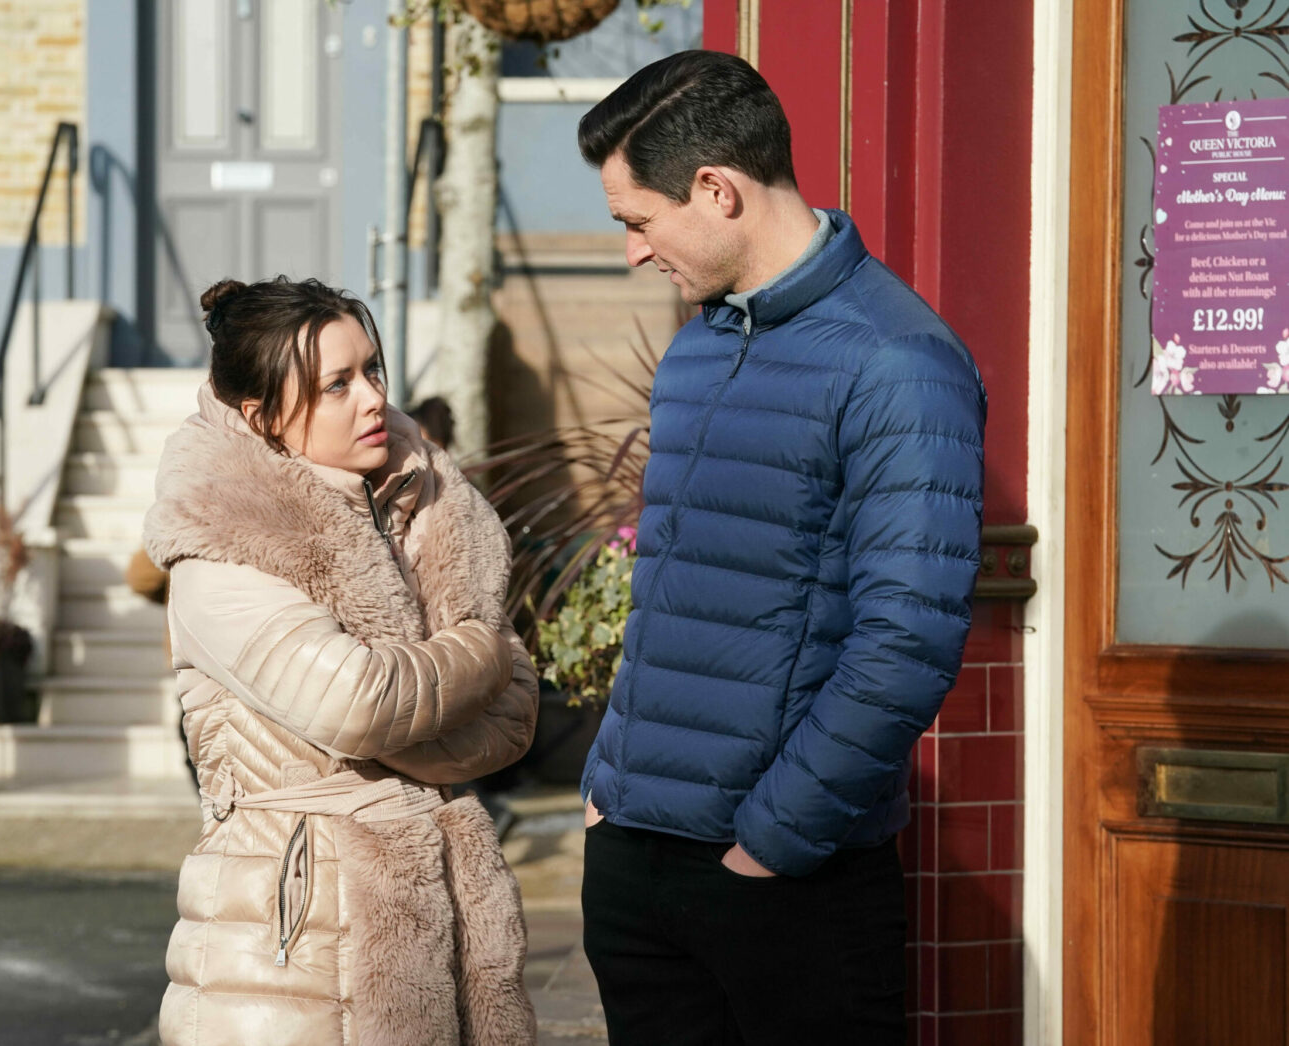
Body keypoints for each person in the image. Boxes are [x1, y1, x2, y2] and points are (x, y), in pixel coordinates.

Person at [574, 50, 986, 1045]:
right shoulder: (701, 344)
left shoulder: (899, 362)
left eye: (638, 219)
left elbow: (905, 641)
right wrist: (606, 793)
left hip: (784, 882)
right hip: (638, 862)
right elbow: (672, 587)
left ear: (716, 190)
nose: (632, 250)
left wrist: (773, 842)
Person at [141, 276, 541, 1046]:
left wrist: (438, 693)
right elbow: (362, 706)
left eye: (372, 370)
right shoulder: (219, 555)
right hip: (288, 948)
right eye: (335, 384)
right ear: (262, 418)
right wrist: (481, 651)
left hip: (434, 917)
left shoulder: (415, 517)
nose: (371, 399)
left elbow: (516, 715)